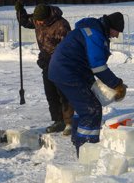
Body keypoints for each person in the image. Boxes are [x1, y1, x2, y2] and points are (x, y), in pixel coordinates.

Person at [48, 12, 128, 155]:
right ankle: (87, 151)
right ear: (111, 27)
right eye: (117, 32)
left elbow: (87, 63)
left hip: (67, 70)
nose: (116, 36)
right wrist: (116, 84)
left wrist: (96, 86)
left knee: (84, 105)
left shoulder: (93, 30)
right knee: (92, 110)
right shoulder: (94, 34)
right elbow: (98, 66)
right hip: (67, 71)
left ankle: (78, 139)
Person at [15, 1, 73, 134]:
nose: (38, 23)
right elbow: (24, 21)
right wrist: (20, 11)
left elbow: (67, 48)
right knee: (50, 93)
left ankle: (69, 122)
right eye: (37, 21)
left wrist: (58, 62)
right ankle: (58, 120)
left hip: (61, 63)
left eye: (40, 21)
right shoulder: (37, 20)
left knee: (63, 93)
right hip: (46, 62)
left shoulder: (61, 25)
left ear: (47, 17)